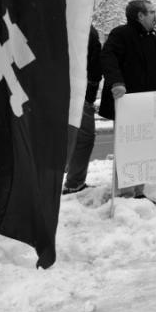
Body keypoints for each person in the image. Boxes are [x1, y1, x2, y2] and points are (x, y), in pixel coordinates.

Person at [99, 0, 156, 201]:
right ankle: (125, 193)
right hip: (126, 101)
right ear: (140, 16)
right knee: (127, 148)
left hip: (147, 103)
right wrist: (116, 82)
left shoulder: (153, 37)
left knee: (144, 148)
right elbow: (107, 58)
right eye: (152, 12)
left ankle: (138, 192)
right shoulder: (121, 34)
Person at [63, 25, 102, 195]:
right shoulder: (85, 28)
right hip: (80, 93)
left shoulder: (45, 20)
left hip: (51, 92)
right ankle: (74, 182)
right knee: (84, 138)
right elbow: (95, 66)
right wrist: (90, 94)